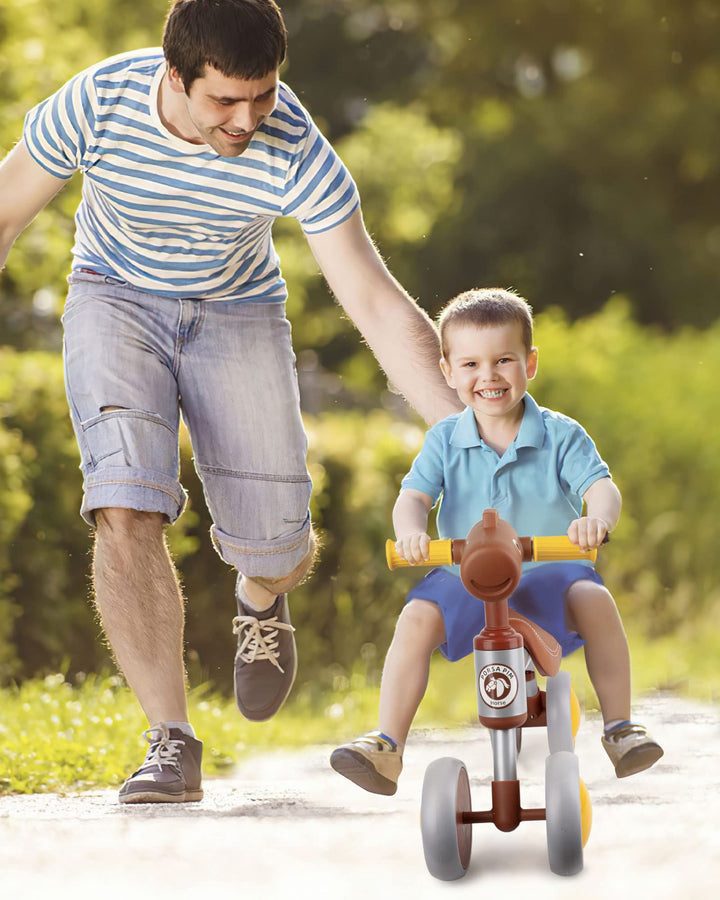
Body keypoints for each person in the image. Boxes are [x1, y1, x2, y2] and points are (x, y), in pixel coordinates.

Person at [0, 0, 460, 804]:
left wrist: (469, 439)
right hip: (114, 297)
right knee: (124, 502)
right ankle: (170, 741)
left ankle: (260, 596)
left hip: (239, 310)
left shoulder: (296, 146)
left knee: (279, 549)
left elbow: (375, 301)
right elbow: (5, 212)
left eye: (262, 96)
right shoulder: (98, 102)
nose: (246, 121)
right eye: (223, 100)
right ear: (174, 76)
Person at [331, 288, 664, 795]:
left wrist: (596, 519)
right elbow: (413, 498)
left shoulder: (560, 434)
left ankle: (620, 727)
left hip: (548, 572)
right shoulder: (444, 439)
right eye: (471, 364)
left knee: (594, 598)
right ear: (448, 372)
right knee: (415, 617)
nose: (488, 376)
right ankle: (387, 745)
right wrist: (411, 532)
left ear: (529, 363)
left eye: (503, 360)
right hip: (464, 576)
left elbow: (601, 488)